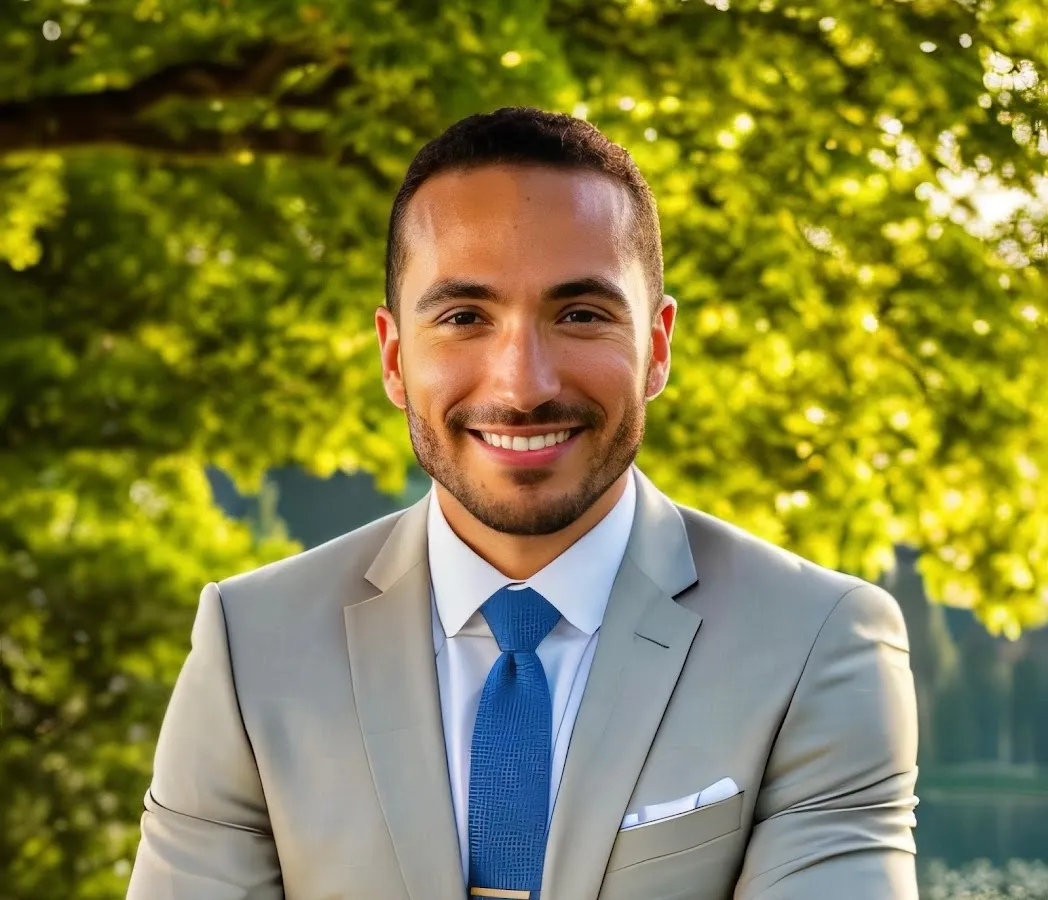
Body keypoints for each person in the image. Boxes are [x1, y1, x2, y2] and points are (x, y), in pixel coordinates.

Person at [127, 107, 920, 900]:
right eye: (464, 318)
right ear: (394, 357)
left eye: (580, 315)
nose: (523, 385)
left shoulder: (817, 644)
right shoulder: (250, 646)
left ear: (656, 346)